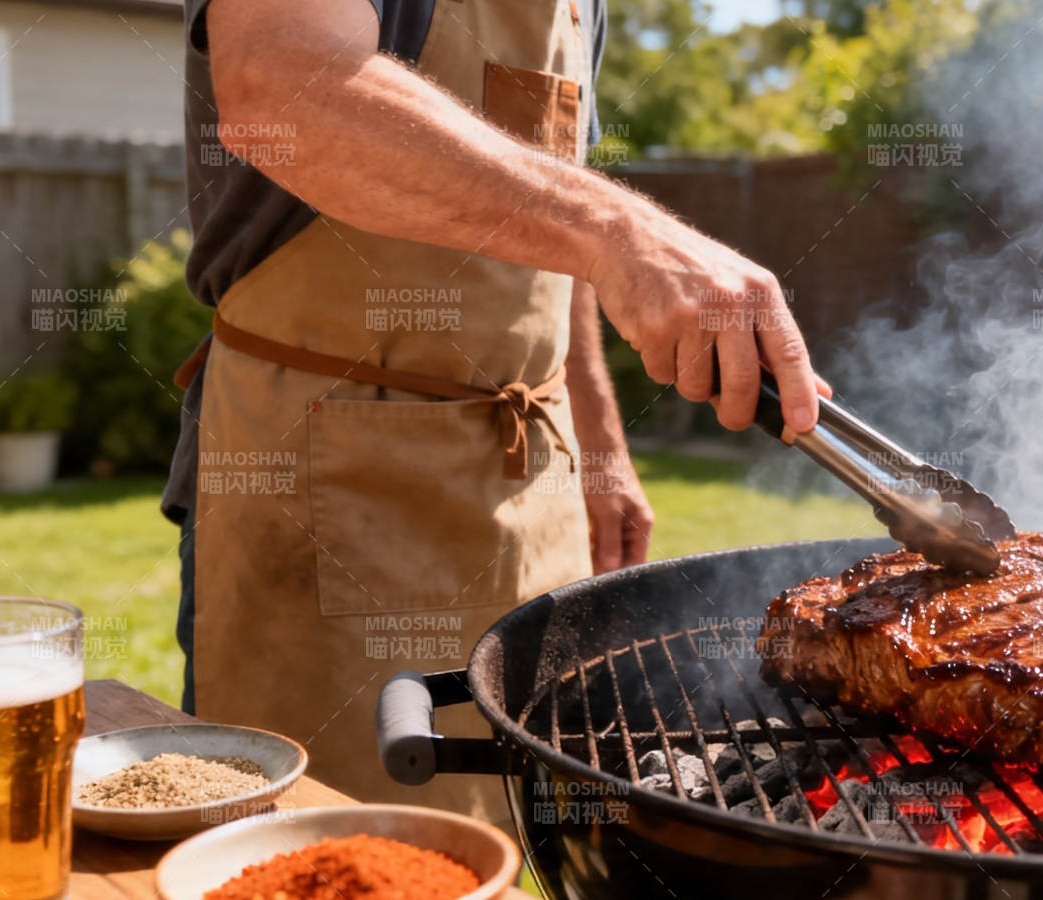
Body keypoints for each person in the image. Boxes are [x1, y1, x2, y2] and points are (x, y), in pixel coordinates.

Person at [161, 0, 824, 823]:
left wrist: (602, 448)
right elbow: (284, 91)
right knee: (322, 848)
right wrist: (621, 228)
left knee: (516, 834)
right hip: (319, 479)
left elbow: (548, 234)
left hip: (529, 489)